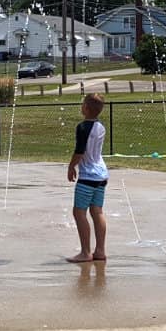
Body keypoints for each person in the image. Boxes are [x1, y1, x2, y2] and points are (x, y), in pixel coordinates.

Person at [67, 93, 108, 263]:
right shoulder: (101, 126)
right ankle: (100, 250)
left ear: (86, 108)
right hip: (102, 174)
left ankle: (85, 252)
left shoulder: (83, 127)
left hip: (88, 176)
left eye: (83, 104)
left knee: (79, 212)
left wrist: (71, 166)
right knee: (97, 211)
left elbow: (80, 151)